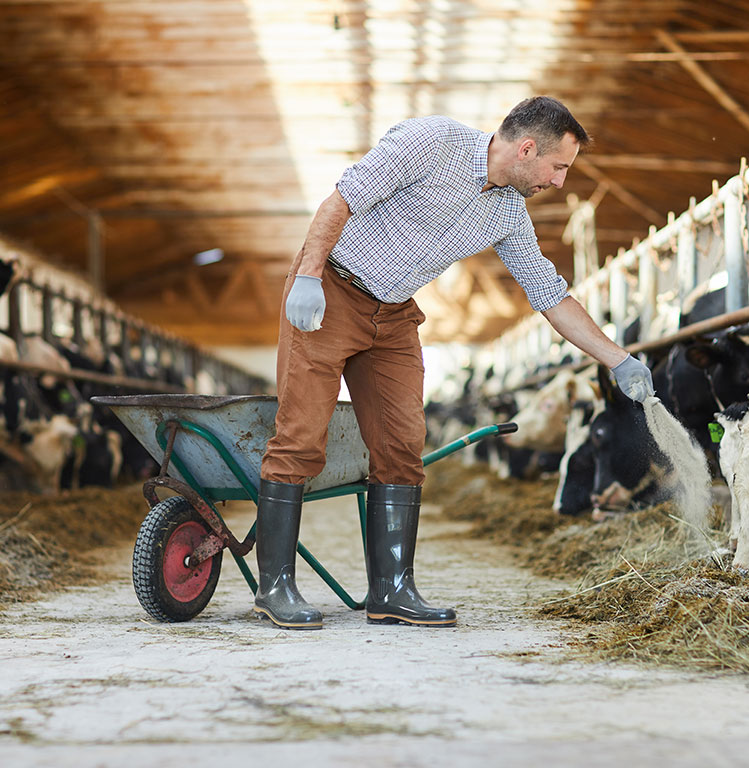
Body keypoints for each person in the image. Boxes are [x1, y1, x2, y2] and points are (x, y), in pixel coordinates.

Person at [252, 96, 654, 631]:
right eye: (558, 167)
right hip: (330, 288)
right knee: (301, 436)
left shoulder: (509, 212)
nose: (559, 183)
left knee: (401, 445)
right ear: (528, 148)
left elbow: (549, 295)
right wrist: (307, 274)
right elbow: (339, 202)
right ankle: (274, 587)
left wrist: (618, 358)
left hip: (393, 314)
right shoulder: (431, 143)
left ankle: (391, 590)